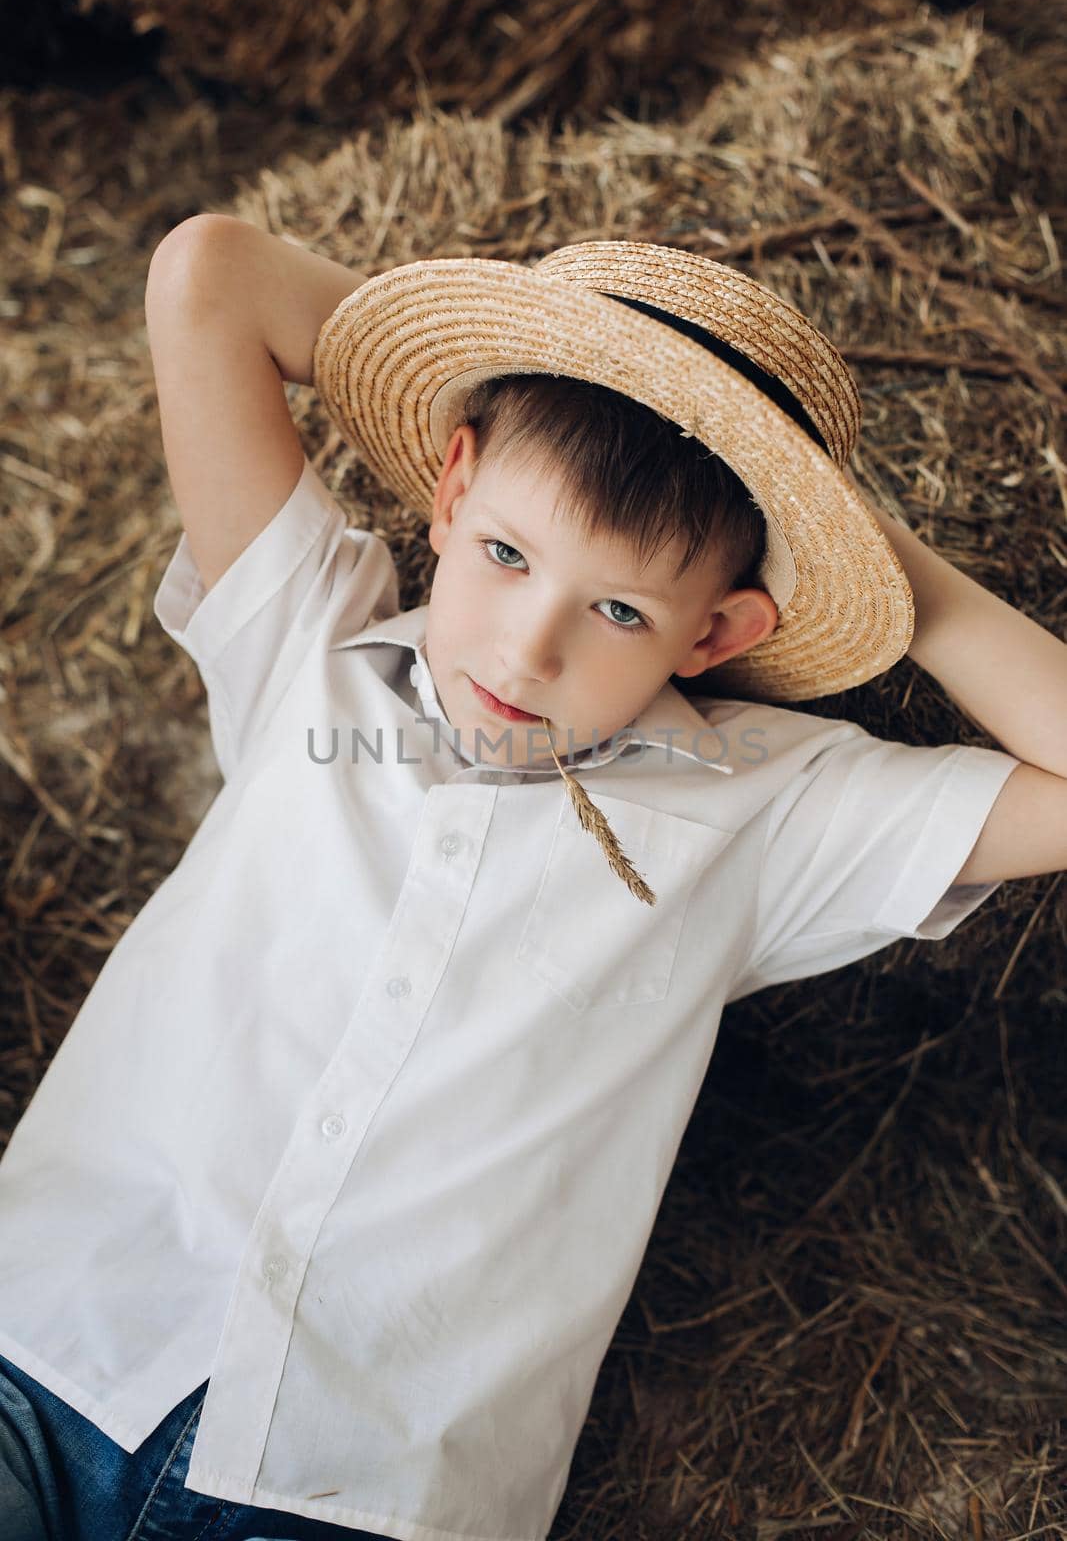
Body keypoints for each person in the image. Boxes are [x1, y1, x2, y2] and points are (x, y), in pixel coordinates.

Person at [2, 220, 1064, 1541]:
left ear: (725, 628)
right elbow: (207, 275)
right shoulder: (312, 648)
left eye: (619, 611)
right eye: (505, 553)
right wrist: (550, 369)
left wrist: (859, 551)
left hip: (363, 1482)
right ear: (450, 493)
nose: (528, 644)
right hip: (51, 1344)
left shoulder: (766, 809)